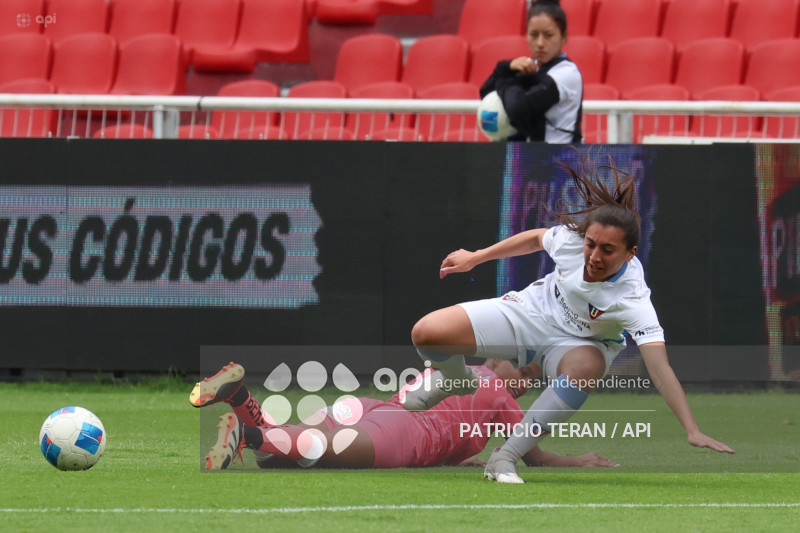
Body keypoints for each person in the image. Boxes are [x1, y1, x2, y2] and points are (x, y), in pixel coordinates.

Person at [405, 153, 735, 484]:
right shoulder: (571, 241)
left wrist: (692, 430)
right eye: (591, 244)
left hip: (577, 345)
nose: (594, 256)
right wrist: (475, 258)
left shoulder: (633, 298)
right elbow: (536, 238)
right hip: (530, 313)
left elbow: (660, 369)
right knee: (427, 332)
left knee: (587, 366)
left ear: (630, 253)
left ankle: (505, 457)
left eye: (608, 250)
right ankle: (456, 378)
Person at [189, 361, 619, 470]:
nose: (524, 383)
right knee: (307, 450)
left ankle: (241, 395)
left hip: (374, 410)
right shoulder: (498, 392)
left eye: (531, 379)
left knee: (280, 452)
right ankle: (243, 435)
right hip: (403, 432)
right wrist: (577, 459)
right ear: (499, 359)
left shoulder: (450, 367)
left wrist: (454, 456)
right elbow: (533, 456)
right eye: (524, 371)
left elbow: (453, 425)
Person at [480, 0, 583, 143]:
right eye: (534, 35)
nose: (540, 43)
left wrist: (505, 76)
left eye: (548, 35)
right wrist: (506, 67)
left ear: (564, 37)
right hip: (530, 159)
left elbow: (519, 109)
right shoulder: (529, 66)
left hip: (560, 160)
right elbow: (486, 92)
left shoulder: (567, 73)